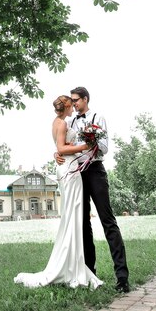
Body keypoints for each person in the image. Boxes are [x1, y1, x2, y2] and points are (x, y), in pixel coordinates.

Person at [14, 95, 103, 289]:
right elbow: (61, 148)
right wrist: (86, 146)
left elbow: (61, 147)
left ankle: (74, 263)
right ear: (66, 107)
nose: (73, 108)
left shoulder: (59, 122)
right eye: (71, 105)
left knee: (74, 214)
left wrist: (67, 149)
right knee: (72, 214)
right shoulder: (62, 123)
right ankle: (69, 265)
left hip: (69, 167)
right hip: (70, 169)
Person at [55, 86, 129, 293]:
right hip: (76, 174)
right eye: (71, 100)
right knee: (83, 223)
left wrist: (91, 139)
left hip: (95, 171)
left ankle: (122, 277)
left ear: (85, 99)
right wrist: (57, 152)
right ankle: (89, 273)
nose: (73, 104)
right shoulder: (69, 121)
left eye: (76, 100)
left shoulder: (99, 117)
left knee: (108, 221)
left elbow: (104, 147)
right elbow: (64, 144)